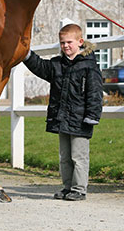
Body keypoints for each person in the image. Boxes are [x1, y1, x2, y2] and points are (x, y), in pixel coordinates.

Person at [23, 23, 103, 201]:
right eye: (62, 43)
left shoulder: (89, 66)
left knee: (78, 156)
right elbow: (40, 66)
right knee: (64, 157)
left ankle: (79, 188)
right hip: (62, 118)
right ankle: (68, 187)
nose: (66, 46)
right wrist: (26, 54)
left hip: (81, 119)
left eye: (69, 42)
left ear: (80, 42)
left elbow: (95, 93)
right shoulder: (57, 65)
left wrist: (92, 115)